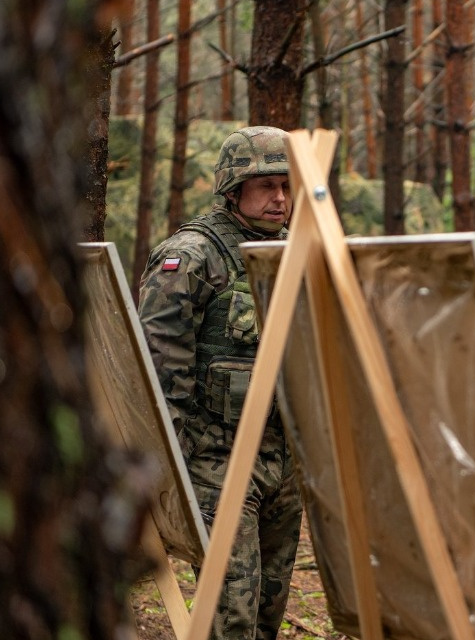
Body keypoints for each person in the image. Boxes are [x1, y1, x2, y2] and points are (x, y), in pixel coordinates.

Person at [138, 126, 302, 640]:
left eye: (287, 186)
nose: (280, 198)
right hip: (219, 466)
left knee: (265, 617)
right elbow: (160, 375)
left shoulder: (296, 251)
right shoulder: (190, 257)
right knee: (230, 617)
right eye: (266, 186)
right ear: (233, 188)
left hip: (285, 463)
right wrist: (173, 474)